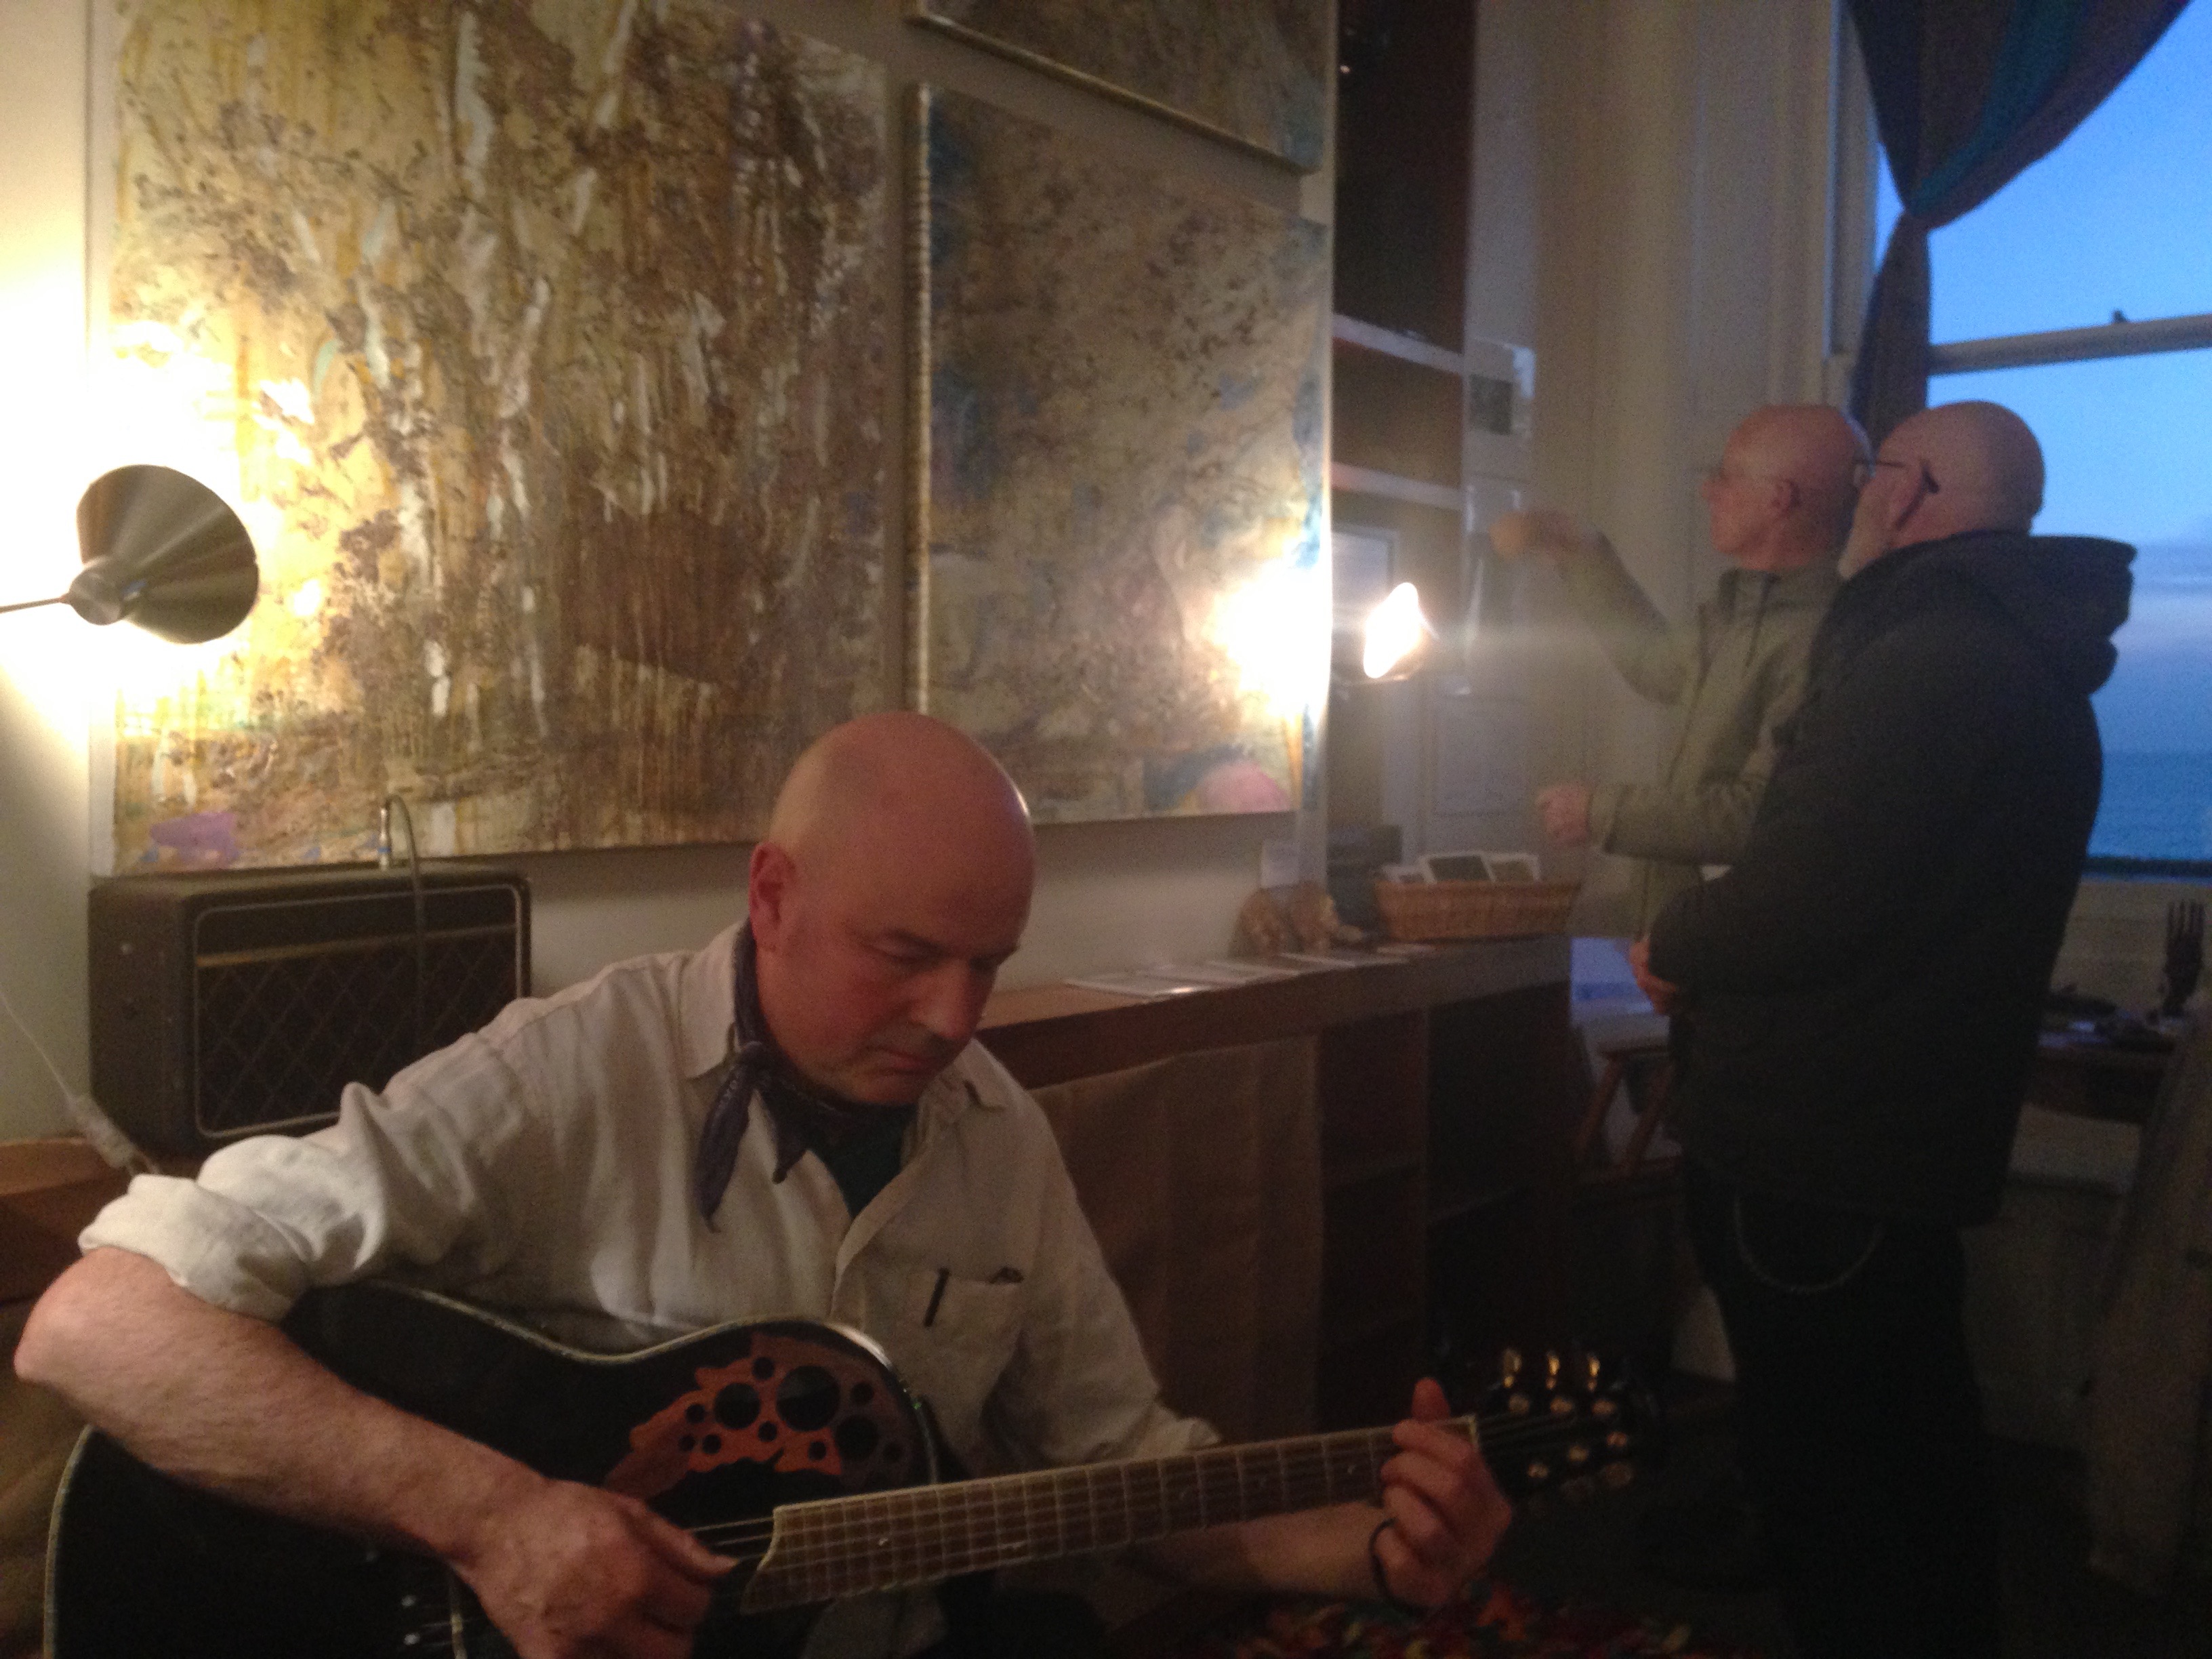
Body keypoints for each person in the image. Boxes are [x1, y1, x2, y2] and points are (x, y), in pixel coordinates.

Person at [17, 712, 1510, 1659]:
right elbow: (95, 1323)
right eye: (905, 955)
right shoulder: (565, 1076)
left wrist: (1368, 1545)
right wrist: (492, 1517)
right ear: (774, 896)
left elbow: (1123, 1468)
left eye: (987, 963)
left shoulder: (995, 1138)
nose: (956, 1019)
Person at [1631, 401, 2133, 1658]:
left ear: (1909, 493)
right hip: (1893, 1135)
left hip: (1819, 1146)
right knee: (1907, 1450)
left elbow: (1800, 896)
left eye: (1874, 477)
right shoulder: (2015, 653)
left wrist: (1674, 940)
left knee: (1837, 1478)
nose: (1860, 497)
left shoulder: (1928, 662)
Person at [1491, 403, 1866, 933]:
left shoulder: (1822, 639)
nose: (1708, 491)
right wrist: (1581, 552)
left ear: (1777, 499)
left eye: (1726, 476)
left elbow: (1758, 817)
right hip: (1692, 936)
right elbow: (1657, 663)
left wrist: (1601, 812)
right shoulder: (1739, 613)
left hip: (1741, 943)